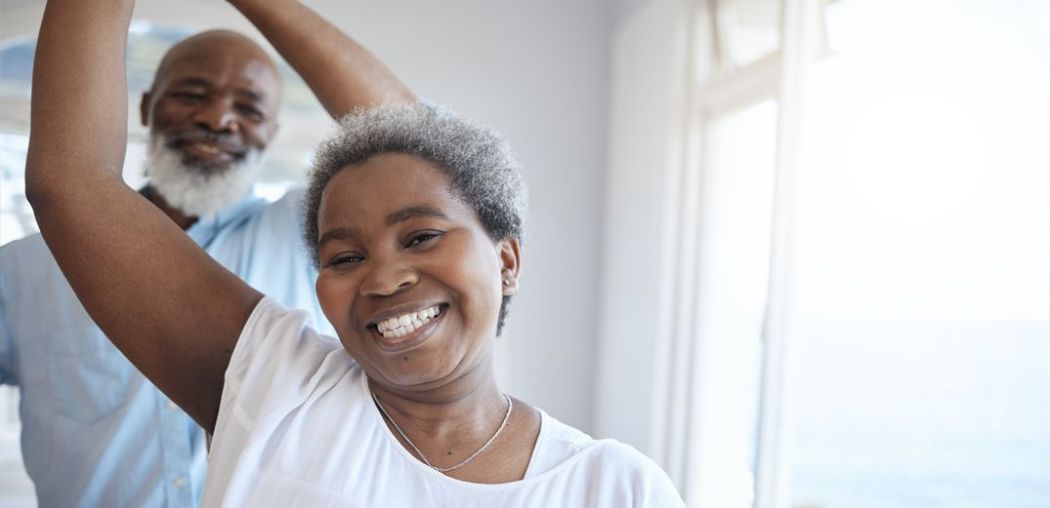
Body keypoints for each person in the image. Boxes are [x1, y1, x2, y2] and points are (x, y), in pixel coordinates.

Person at [26, 0, 685, 506]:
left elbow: (421, 142)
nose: (385, 276)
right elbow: (71, 185)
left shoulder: (614, 485)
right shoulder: (279, 390)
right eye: (343, 257)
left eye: (422, 235)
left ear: (508, 260)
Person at [0, 0, 414, 505]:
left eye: (249, 108)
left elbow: (414, 143)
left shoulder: (312, 233)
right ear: (148, 106)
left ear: (272, 134)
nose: (219, 119)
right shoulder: (23, 269)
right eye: (193, 94)